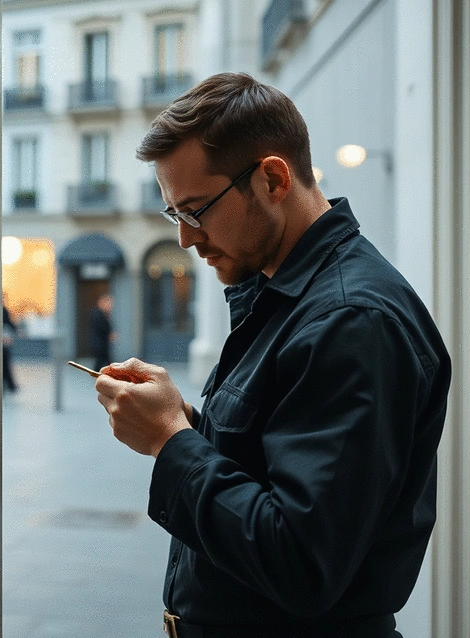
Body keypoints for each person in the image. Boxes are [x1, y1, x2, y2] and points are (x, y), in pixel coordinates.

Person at [93, 73, 451, 638]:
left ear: (273, 178)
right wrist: (188, 422)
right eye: (174, 215)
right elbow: (274, 459)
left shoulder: (350, 319)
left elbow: (302, 562)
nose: (186, 239)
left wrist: (170, 441)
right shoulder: (287, 293)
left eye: (196, 210)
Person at [90, 293, 116, 371]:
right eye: (108, 303)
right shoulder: (97, 314)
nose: (110, 306)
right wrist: (109, 334)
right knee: (101, 360)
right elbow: (102, 328)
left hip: (102, 343)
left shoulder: (104, 314)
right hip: (100, 343)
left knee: (104, 360)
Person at [1, 297, 19, 393]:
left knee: (6, 359)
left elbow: (9, 322)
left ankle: (9, 384)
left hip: (3, 341)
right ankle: (9, 384)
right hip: (0, 342)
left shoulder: (3, 310)